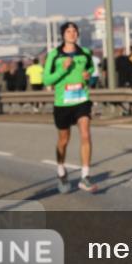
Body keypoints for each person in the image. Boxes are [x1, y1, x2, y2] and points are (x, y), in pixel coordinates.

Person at [44, 22, 98, 194]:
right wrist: (63, 70)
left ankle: (85, 177)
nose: (72, 34)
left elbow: (90, 70)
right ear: (63, 35)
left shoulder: (85, 54)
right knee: (63, 140)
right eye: (69, 31)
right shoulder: (54, 55)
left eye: (75, 31)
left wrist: (87, 76)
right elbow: (47, 80)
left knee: (85, 134)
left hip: (82, 100)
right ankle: (61, 170)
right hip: (62, 104)